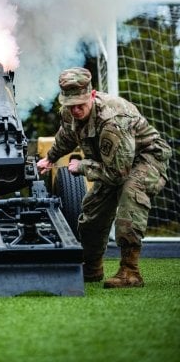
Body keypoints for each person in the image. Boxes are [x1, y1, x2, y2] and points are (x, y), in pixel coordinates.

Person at [37, 67, 172, 288]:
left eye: (81, 104)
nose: (76, 110)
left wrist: (82, 166)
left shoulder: (113, 120)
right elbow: (67, 135)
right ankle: (91, 269)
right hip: (112, 163)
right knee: (91, 213)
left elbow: (119, 173)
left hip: (146, 158)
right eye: (71, 106)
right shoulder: (69, 112)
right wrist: (50, 158)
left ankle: (130, 272)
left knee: (131, 197)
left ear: (92, 94)